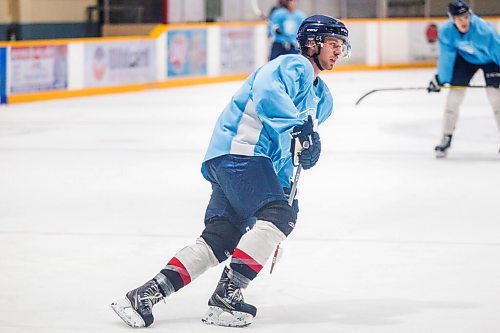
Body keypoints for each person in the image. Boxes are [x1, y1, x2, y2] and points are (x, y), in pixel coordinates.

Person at [111, 14, 351, 328]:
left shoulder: (321, 97)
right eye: (333, 43)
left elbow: (284, 145)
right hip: (241, 152)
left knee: (220, 239)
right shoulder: (293, 66)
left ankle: (143, 296)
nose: (337, 51)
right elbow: (268, 95)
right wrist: (298, 131)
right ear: (312, 43)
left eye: (341, 46)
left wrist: (287, 175)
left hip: (239, 159)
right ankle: (226, 297)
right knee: (281, 215)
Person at [428, 0, 500, 158]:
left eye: (465, 17)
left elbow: (498, 52)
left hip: (491, 61)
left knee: (496, 98)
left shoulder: (484, 31)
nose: (463, 21)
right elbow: (447, 57)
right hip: (465, 60)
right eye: (459, 18)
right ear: (451, 19)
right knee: (454, 98)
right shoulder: (446, 32)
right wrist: (441, 79)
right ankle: (446, 137)